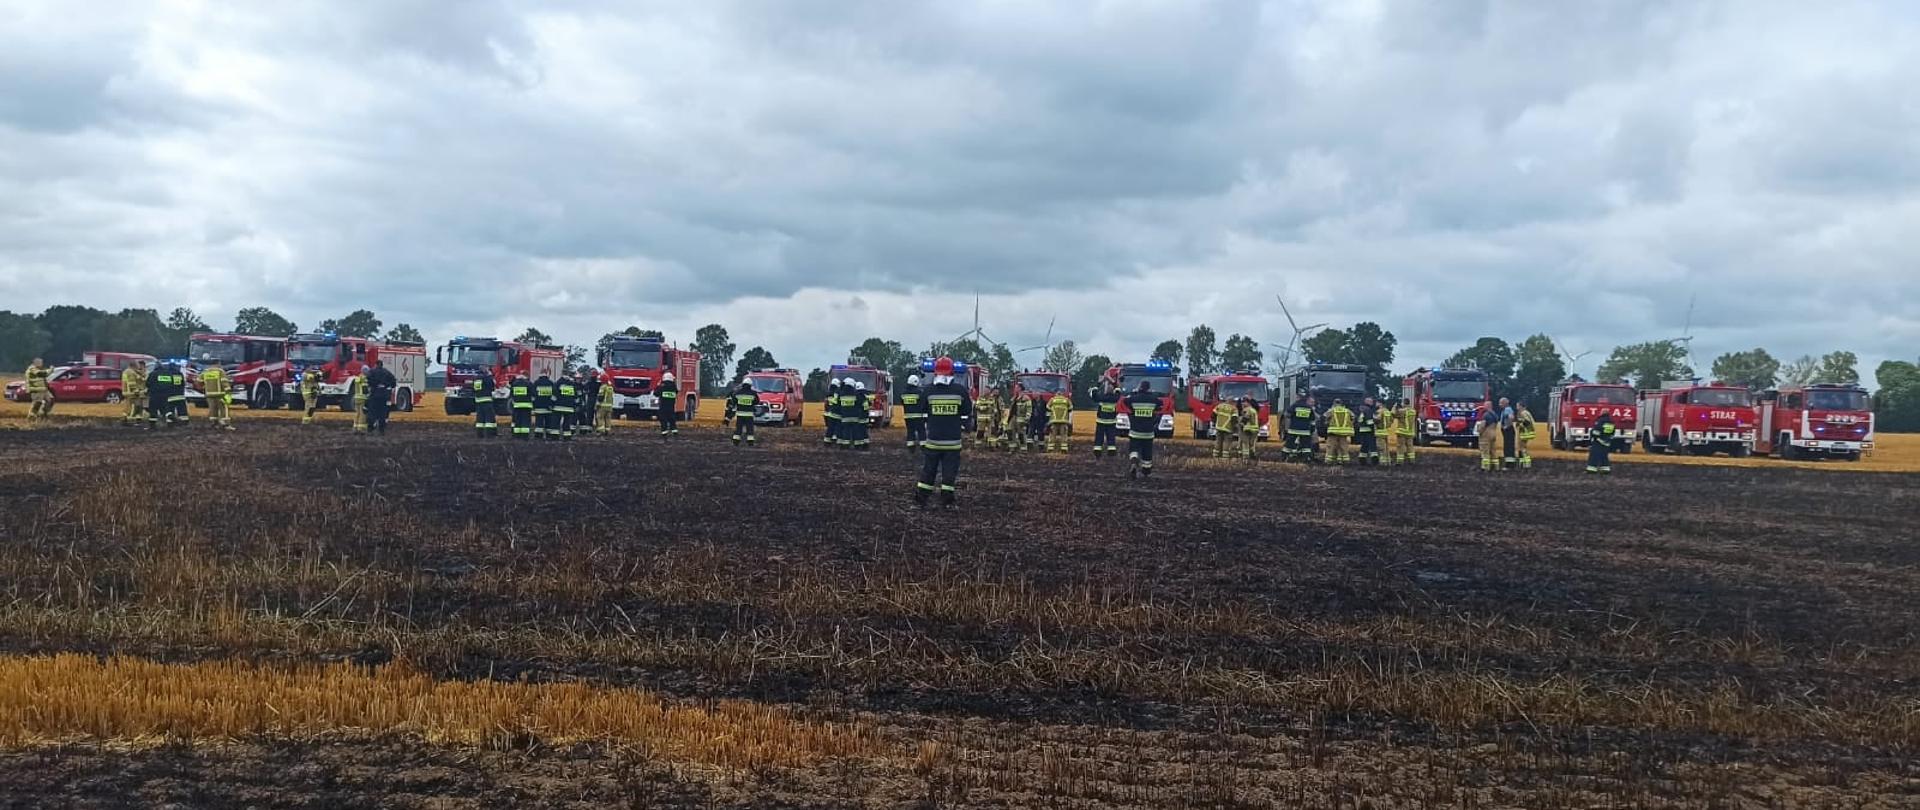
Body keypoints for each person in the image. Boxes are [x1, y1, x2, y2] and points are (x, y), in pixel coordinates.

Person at [914, 357, 973, 509]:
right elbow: (967, 412)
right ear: (952, 372)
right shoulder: (960, 391)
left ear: (935, 372)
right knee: (949, 473)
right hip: (953, 442)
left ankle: (921, 499)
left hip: (933, 441)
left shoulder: (928, 391)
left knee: (928, 471)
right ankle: (947, 501)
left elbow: (920, 411)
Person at [1123, 382, 1161, 478]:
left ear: (1140, 387)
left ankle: (1134, 462)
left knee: (1134, 449)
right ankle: (1146, 470)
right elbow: (1160, 404)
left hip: (1135, 432)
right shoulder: (1153, 399)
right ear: (1149, 388)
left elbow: (1125, 401)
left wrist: (1135, 393)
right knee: (1147, 452)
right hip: (1148, 433)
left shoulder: (1134, 398)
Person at [200, 361, 235, 431]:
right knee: (224, 409)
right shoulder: (220, 371)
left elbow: (199, 381)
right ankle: (226, 424)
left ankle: (214, 423)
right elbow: (224, 382)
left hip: (209, 394)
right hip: (220, 394)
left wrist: (204, 388)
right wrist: (228, 391)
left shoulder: (205, 371)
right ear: (218, 364)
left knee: (213, 409)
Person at [365, 361, 397, 435]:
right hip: (384, 396)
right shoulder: (387, 372)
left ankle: (370, 428)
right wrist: (387, 386)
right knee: (382, 413)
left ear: (376, 364)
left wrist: (374, 385)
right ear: (382, 365)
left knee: (372, 412)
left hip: (374, 395)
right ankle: (381, 430)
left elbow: (368, 380)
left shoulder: (372, 371)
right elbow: (394, 382)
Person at [146, 361, 180, 430]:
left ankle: (152, 426)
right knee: (165, 409)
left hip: (154, 395)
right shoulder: (168, 374)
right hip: (165, 395)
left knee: (153, 410)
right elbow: (172, 384)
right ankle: (171, 416)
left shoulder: (153, 374)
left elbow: (148, 383)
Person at [727, 379, 761, 446]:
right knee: (750, 429)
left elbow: (734, 402)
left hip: (740, 414)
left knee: (738, 428)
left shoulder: (737, 392)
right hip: (749, 415)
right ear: (750, 385)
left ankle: (736, 441)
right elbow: (757, 401)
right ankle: (750, 442)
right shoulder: (753, 393)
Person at [1090, 383, 1120, 458]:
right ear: (1113, 391)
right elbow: (1118, 392)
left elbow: (1094, 395)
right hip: (1111, 422)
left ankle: (1097, 449)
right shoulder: (1115, 398)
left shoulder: (1101, 397)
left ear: (1105, 391)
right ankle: (1111, 450)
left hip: (1101, 421)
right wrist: (1116, 385)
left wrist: (1097, 385)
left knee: (1099, 436)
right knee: (1111, 436)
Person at [1283, 392, 1315, 463]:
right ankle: (1306, 458)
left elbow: (1287, 415)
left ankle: (1285, 457)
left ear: (1299, 398)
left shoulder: (1294, 406)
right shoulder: (1309, 408)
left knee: (1289, 444)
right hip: (1305, 430)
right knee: (1306, 446)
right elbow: (1312, 420)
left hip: (1293, 429)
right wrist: (1312, 429)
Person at [899, 374, 927, 450]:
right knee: (921, 431)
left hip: (908, 416)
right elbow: (923, 403)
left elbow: (902, 403)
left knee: (910, 431)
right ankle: (923, 446)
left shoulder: (903, 393)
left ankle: (910, 446)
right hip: (918, 416)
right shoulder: (919, 392)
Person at [1323, 399, 1355, 465]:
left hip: (1333, 432)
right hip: (1344, 432)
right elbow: (1353, 417)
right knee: (1343, 446)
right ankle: (1345, 460)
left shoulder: (1332, 410)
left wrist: (1327, 422)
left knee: (1331, 446)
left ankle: (1329, 461)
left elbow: (1324, 416)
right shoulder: (1347, 410)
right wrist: (1349, 424)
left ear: (1334, 403)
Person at [468, 370, 497, 439]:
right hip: (487, 401)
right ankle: (489, 435)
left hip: (478, 401)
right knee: (489, 418)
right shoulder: (486, 378)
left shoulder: (476, 380)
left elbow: (474, 389)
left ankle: (479, 434)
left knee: (480, 420)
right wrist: (490, 376)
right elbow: (492, 385)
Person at [844, 380, 872, 450]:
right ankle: (866, 445)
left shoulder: (858, 396)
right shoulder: (866, 396)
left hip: (860, 418)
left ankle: (859, 445)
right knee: (864, 432)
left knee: (858, 432)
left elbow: (857, 406)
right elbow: (869, 405)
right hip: (866, 417)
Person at [24, 358, 52, 425]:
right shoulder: (32, 369)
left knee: (50, 400)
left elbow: (43, 377)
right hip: (36, 390)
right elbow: (41, 374)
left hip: (43, 389)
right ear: (36, 363)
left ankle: (43, 414)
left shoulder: (39, 369)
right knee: (37, 404)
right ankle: (31, 418)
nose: (42, 364)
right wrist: (51, 370)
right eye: (40, 362)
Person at [1354, 396, 1381, 466]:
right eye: (1371, 402)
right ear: (1367, 402)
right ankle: (1374, 460)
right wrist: (1373, 429)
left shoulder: (1361, 409)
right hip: (1368, 430)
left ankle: (1362, 460)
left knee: (1364, 446)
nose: (1373, 403)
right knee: (1372, 446)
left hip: (1362, 430)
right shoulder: (1368, 410)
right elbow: (1369, 421)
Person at [1391, 398, 1418, 464]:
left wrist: (1394, 406)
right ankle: (1412, 460)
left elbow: (1393, 414)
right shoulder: (1413, 411)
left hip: (1402, 432)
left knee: (1400, 447)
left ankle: (1400, 461)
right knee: (1410, 447)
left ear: (1404, 403)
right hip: (1410, 432)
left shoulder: (1402, 411)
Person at [121, 360, 147, 426]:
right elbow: (132, 383)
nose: (138, 366)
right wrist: (136, 391)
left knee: (130, 406)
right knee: (135, 406)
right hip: (131, 393)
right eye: (137, 365)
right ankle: (129, 420)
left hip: (128, 392)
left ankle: (127, 419)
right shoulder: (130, 372)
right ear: (134, 365)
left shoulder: (128, 371)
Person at [508, 375, 534, 439]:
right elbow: (533, 394)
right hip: (527, 406)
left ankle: (517, 435)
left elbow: (511, 395)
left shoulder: (514, 384)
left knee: (517, 421)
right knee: (525, 421)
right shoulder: (529, 383)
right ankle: (524, 436)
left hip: (517, 405)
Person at [532, 373, 556, 439]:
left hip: (539, 407)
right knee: (549, 423)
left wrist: (534, 405)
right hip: (548, 408)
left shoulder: (536, 383)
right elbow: (554, 396)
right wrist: (551, 404)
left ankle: (538, 436)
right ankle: (549, 436)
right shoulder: (551, 383)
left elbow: (533, 396)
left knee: (539, 423)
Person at [554, 374, 578, 441]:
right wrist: (576, 405)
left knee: (556, 422)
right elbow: (576, 397)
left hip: (558, 407)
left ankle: (555, 436)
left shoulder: (558, 383)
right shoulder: (572, 384)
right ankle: (567, 437)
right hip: (569, 408)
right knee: (567, 423)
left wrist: (551, 404)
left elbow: (554, 395)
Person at [1496, 397, 1518, 470]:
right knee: (1508, 447)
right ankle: (1509, 464)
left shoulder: (1508, 410)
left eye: (1501, 403)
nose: (1499, 404)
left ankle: (1509, 465)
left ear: (1505, 403)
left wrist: (1506, 426)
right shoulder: (1505, 410)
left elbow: (1511, 418)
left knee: (1508, 448)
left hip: (1508, 431)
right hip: (1507, 431)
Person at [1478, 406, 1502, 472]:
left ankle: (1486, 467)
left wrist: (1479, 431)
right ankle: (1496, 467)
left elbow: (1483, 425)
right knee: (1493, 451)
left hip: (1486, 435)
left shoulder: (1486, 415)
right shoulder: (1495, 415)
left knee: (1485, 452)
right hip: (1493, 433)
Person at [657, 372, 681, 436]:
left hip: (663, 406)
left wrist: (658, 386)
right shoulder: (673, 386)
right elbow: (676, 392)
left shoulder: (662, 386)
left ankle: (664, 432)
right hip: (671, 407)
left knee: (663, 419)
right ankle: (674, 431)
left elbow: (656, 393)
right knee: (672, 418)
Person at [1513, 403, 1536, 470]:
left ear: (1521, 406)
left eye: (1517, 406)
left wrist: (1519, 425)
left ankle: (1526, 464)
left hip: (1524, 433)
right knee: (1522, 448)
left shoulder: (1523, 413)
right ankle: (1523, 463)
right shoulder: (1527, 412)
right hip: (1526, 433)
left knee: (1523, 448)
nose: (1517, 407)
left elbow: (1527, 422)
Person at [577, 370, 600, 436]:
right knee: (597, 416)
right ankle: (597, 429)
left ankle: (589, 429)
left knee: (590, 415)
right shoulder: (599, 384)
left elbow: (585, 391)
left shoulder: (588, 383)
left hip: (590, 400)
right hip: (596, 400)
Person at [822, 378, 842, 445]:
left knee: (830, 428)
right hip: (834, 413)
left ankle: (827, 441)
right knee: (836, 427)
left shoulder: (828, 393)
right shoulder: (836, 392)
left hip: (828, 414)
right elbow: (836, 402)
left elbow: (826, 404)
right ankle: (834, 439)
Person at [595, 371, 615, 435]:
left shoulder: (603, 387)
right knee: (608, 419)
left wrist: (597, 405)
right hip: (609, 407)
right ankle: (608, 430)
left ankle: (601, 431)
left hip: (602, 406)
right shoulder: (610, 387)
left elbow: (600, 397)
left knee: (600, 417)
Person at [351, 369, 370, 434]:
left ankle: (355, 427)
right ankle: (361, 428)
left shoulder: (357, 378)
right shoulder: (364, 378)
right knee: (363, 414)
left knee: (357, 413)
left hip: (356, 398)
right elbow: (365, 389)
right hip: (362, 398)